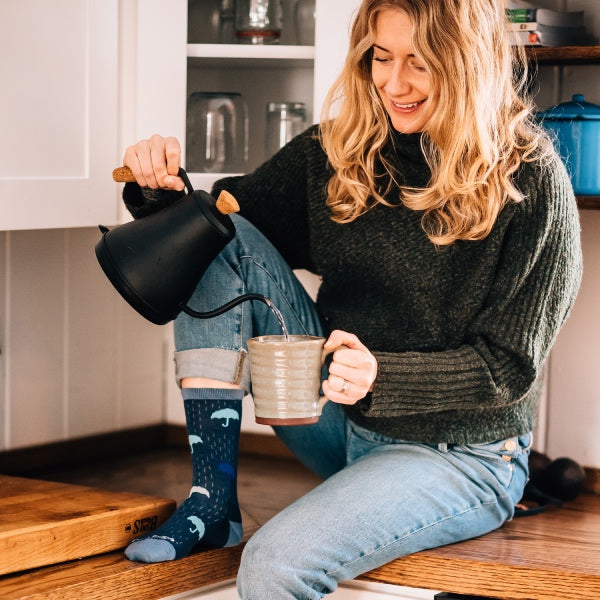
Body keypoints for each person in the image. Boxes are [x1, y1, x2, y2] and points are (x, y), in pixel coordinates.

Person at [118, 0, 582, 597]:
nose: (394, 83)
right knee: (218, 235)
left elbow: (507, 367)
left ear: (470, 63)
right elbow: (227, 230)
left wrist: (379, 374)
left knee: (274, 566)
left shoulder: (533, 179)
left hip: (461, 457)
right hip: (341, 427)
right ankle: (213, 500)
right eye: (380, 58)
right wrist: (158, 192)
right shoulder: (338, 151)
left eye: (421, 62)